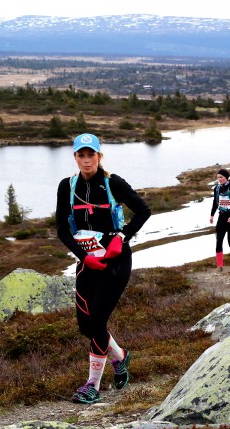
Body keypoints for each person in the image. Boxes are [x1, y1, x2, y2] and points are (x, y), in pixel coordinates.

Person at [55, 133, 151, 404]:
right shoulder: (67, 186)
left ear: (99, 156)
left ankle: (92, 386)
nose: (86, 160)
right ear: (75, 157)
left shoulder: (112, 183)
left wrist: (122, 237)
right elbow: (62, 227)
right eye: (81, 155)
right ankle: (120, 356)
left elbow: (143, 211)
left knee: (97, 320)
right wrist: (82, 257)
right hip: (87, 261)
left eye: (91, 155)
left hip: (115, 261)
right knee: (85, 325)